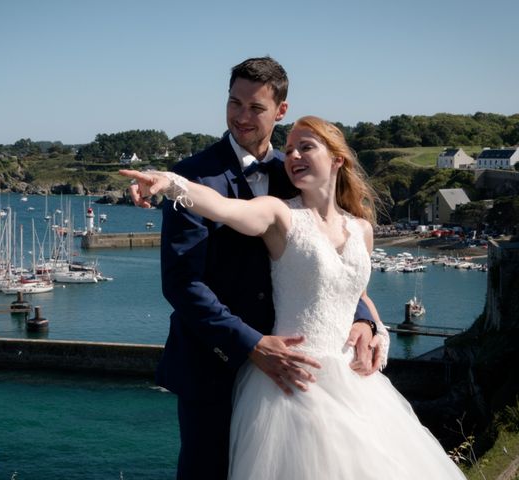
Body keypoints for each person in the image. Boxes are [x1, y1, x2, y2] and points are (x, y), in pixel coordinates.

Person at [120, 115, 466, 479]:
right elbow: (222, 207)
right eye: (289, 150)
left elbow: (354, 293)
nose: (294, 156)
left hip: (354, 383)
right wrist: (171, 183)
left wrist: (374, 327)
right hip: (290, 383)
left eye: (306, 147)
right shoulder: (279, 213)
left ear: (337, 159)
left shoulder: (362, 229)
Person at [127, 57, 385, 480]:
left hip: (299, 376)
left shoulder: (298, 170)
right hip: (213, 366)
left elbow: (334, 266)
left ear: (280, 111)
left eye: (255, 108)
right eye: (234, 103)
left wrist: (364, 322)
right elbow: (181, 284)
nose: (241, 116)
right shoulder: (194, 175)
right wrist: (251, 344)